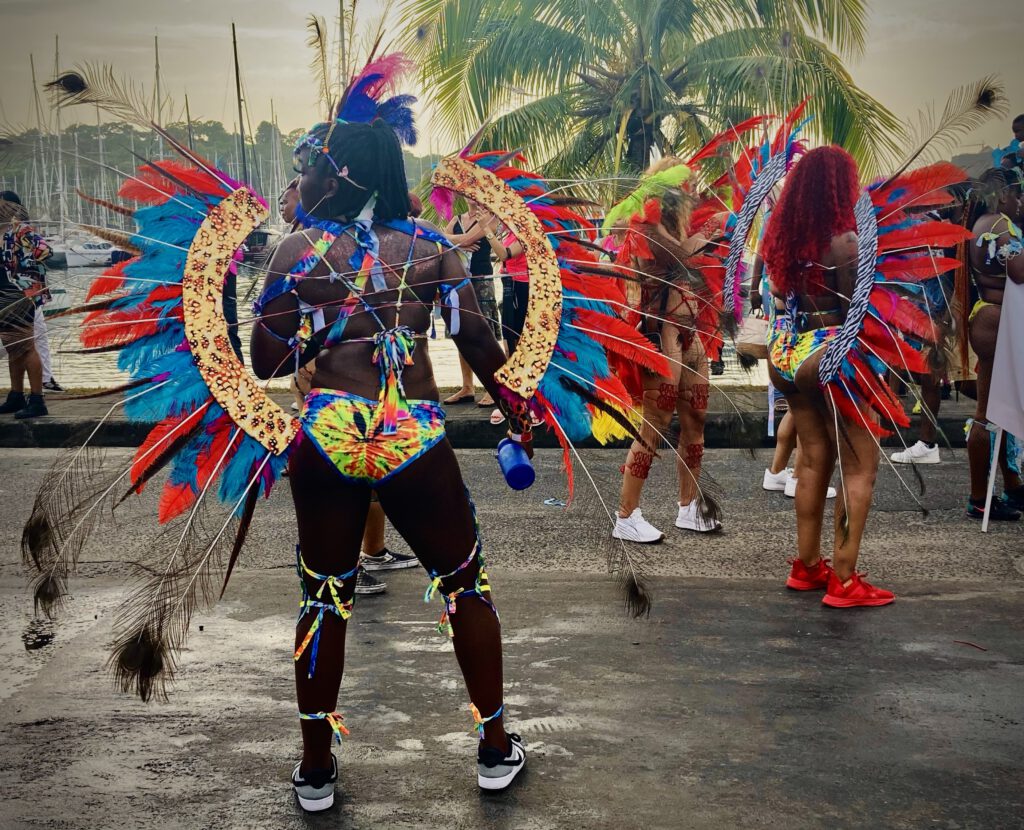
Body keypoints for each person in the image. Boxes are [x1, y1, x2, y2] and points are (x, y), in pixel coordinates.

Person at [252, 116, 527, 810]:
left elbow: (265, 360)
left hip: (329, 428)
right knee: (464, 586)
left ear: (338, 173)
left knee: (324, 596)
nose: (306, 177)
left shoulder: (295, 251)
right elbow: (476, 339)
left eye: (314, 165)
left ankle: (316, 768)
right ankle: (495, 749)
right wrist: (517, 408)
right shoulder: (431, 247)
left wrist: (317, 329)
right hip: (411, 429)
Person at [763, 146, 894, 608]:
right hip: (831, 357)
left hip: (788, 355)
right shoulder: (844, 241)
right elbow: (855, 314)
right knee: (860, 468)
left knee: (813, 460)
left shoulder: (784, 241)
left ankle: (806, 566)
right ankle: (844, 579)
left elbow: (781, 298)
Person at [613, 163, 720, 542]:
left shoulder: (679, 227)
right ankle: (626, 516)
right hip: (661, 337)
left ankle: (688, 507)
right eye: (683, 186)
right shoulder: (644, 227)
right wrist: (713, 228)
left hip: (691, 336)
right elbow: (679, 257)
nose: (690, 193)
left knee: (696, 420)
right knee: (654, 425)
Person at [963, 167, 1024, 520]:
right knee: (987, 413)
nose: (1020, 201)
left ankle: (1012, 484)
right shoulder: (1001, 225)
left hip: (990, 317)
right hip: (998, 321)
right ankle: (979, 499)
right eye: (1017, 193)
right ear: (1002, 195)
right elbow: (1019, 272)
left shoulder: (981, 223)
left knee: (1000, 409)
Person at [0, 191, 52, 418]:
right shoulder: (2, 231)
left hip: (19, 296)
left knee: (27, 345)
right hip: (3, 295)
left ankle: (37, 399)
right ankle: (16, 395)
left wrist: (23, 273)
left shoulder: (21, 230)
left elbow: (44, 250)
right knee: (13, 345)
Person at [444, 202, 501, 408]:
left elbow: (467, 239)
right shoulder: (457, 219)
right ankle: (467, 387)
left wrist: (454, 241)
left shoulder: (490, 219)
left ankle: (493, 388)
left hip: (481, 279)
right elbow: (440, 239)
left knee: (487, 333)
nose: (472, 198)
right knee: (461, 332)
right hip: (459, 280)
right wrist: (458, 242)